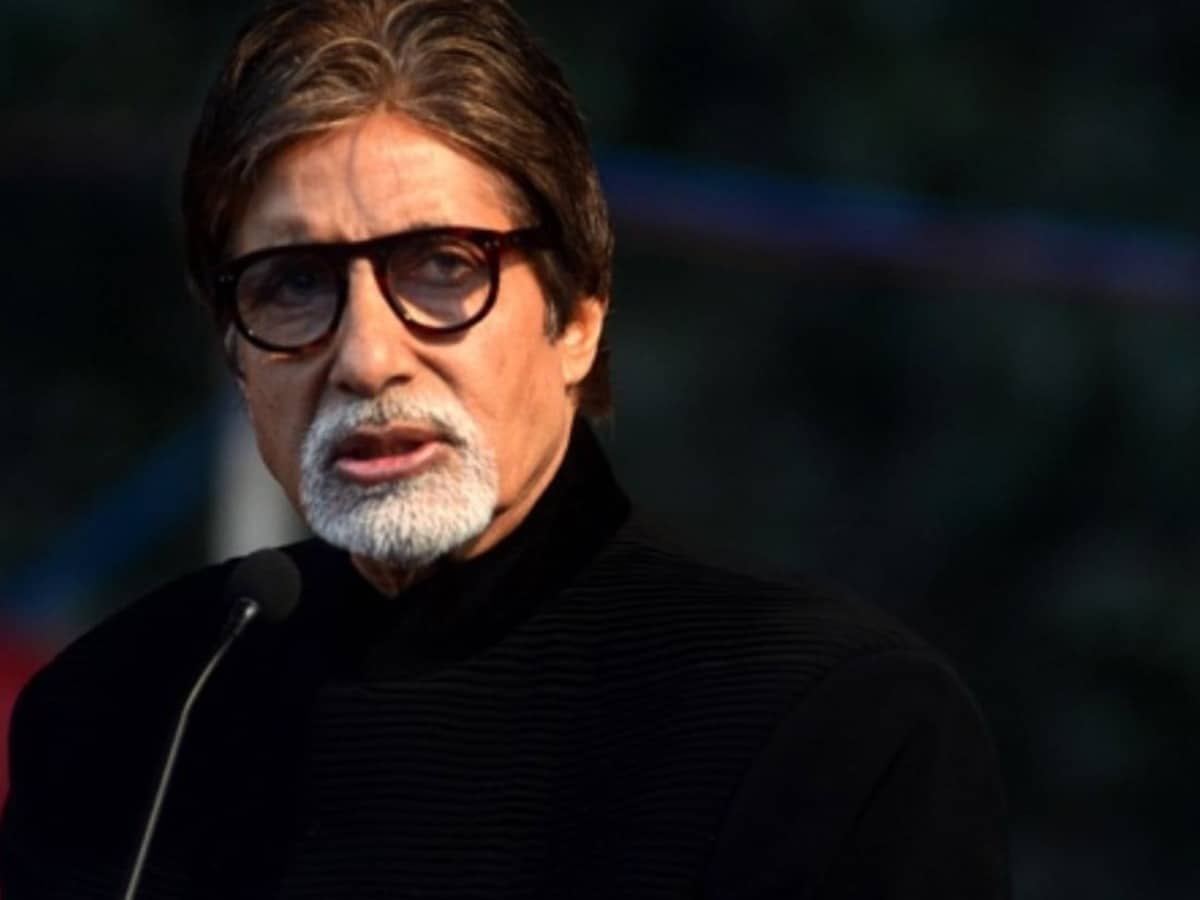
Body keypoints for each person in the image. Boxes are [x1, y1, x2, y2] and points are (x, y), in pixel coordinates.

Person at [0, 0, 1009, 896]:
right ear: (235, 352)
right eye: (295, 284)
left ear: (576, 318)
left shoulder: (828, 726)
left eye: (443, 266)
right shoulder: (127, 716)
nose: (367, 357)